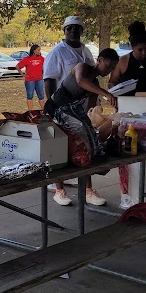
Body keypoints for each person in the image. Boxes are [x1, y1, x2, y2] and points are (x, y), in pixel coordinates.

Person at [43, 16, 103, 206]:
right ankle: (59, 190)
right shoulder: (58, 52)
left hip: (80, 107)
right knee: (60, 147)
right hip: (61, 106)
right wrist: (53, 106)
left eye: (77, 28)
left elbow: (91, 78)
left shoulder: (85, 51)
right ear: (64, 31)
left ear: (81, 31)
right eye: (69, 28)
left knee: (84, 145)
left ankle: (87, 189)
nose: (73, 31)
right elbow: (49, 80)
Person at [45, 50, 119, 162]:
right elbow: (81, 81)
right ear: (99, 60)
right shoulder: (82, 67)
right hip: (54, 108)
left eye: (112, 68)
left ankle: (87, 169)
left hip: (69, 113)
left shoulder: (95, 85)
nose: (109, 71)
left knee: (83, 138)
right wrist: (106, 94)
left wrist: (108, 110)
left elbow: (90, 109)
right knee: (56, 145)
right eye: (108, 66)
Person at [17, 44, 45, 111]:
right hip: (30, 80)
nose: (39, 51)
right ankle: (31, 111)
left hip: (39, 79)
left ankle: (44, 110)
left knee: (41, 96)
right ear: (34, 51)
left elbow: (44, 67)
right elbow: (18, 66)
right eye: (38, 50)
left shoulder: (41, 58)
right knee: (30, 96)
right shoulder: (27, 59)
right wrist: (23, 74)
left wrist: (43, 74)